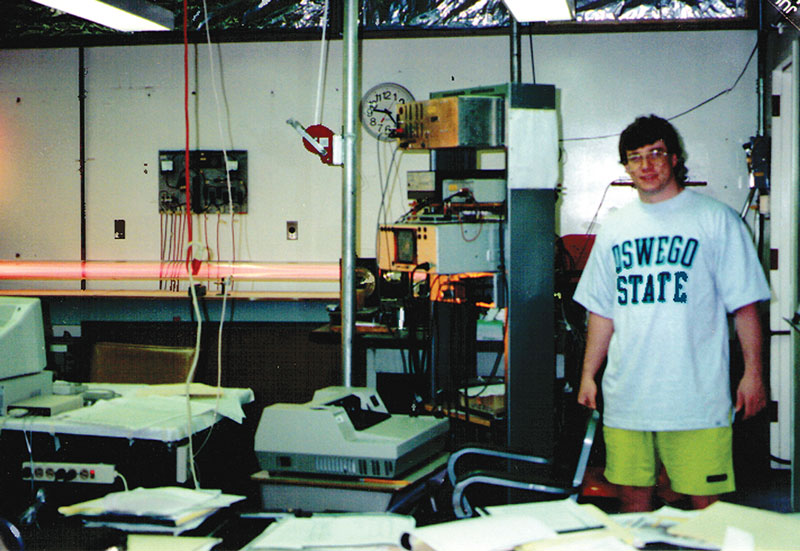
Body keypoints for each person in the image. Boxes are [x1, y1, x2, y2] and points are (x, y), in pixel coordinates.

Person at [573, 115, 770, 512]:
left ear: (675, 158)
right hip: (628, 397)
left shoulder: (716, 221)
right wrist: (587, 376)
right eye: (635, 157)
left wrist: (754, 375)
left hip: (697, 398)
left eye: (656, 154)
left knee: (708, 513)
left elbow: (746, 309)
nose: (646, 165)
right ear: (625, 168)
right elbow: (602, 314)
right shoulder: (615, 229)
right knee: (633, 509)